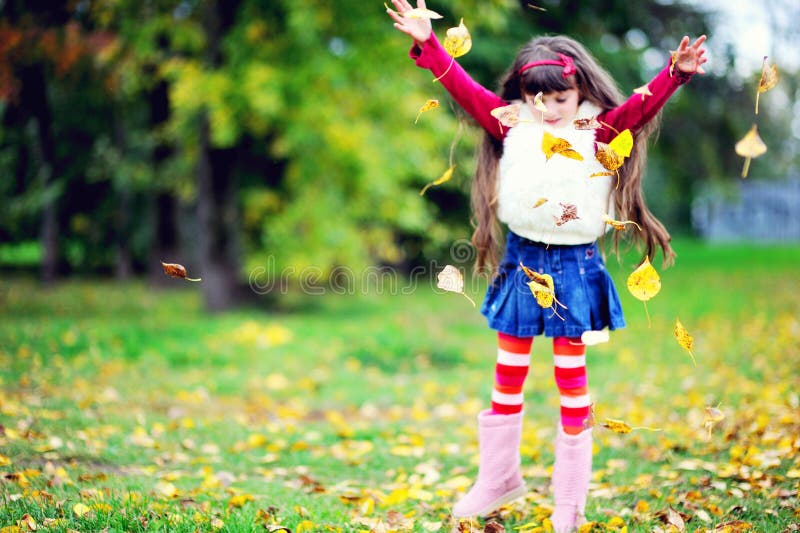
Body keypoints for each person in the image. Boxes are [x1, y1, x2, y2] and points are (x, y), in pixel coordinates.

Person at [387, 1, 707, 531]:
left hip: (576, 269)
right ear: (521, 96)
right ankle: (497, 479)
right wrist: (430, 41)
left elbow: (638, 109)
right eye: (538, 100)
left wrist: (674, 74)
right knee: (506, 376)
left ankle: (569, 502)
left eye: (560, 98)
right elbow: (464, 91)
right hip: (521, 262)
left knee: (570, 382)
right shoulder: (510, 123)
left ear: (580, 91)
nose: (550, 109)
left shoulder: (599, 131)